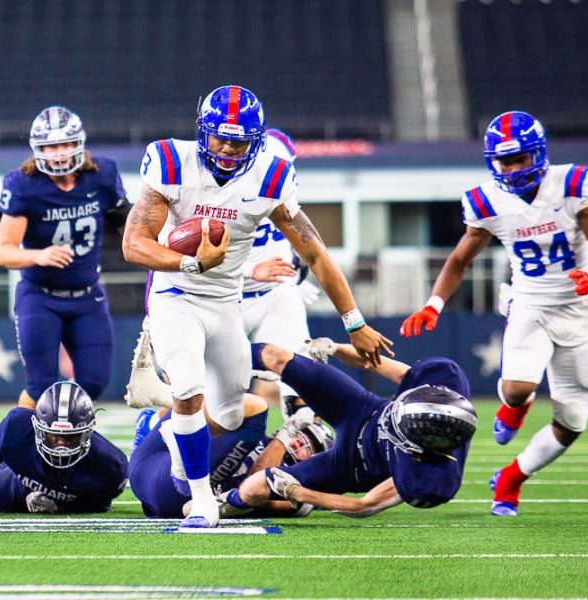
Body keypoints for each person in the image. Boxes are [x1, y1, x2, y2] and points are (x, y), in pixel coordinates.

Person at [122, 84, 392, 528]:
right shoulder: (171, 161)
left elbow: (315, 253)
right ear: (201, 132)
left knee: (230, 412)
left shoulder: (271, 175)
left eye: (239, 141)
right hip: (176, 294)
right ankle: (202, 499)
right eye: (219, 137)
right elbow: (134, 244)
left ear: (258, 140)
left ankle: (163, 419)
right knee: (190, 389)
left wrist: (354, 321)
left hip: (226, 300)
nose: (228, 148)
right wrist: (191, 262)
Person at [399, 110, 588, 517]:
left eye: (521, 158)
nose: (514, 168)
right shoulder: (486, 201)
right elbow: (460, 260)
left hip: (578, 307)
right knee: (518, 387)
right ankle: (514, 407)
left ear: (539, 154)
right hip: (530, 301)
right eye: (506, 160)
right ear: (492, 161)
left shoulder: (572, 185)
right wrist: (434, 303)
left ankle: (511, 479)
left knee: (572, 422)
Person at [225, 341, 477, 517]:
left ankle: (224, 503)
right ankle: (208, 359)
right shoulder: (447, 380)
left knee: (255, 487)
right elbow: (376, 363)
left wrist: (298, 492)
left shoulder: (429, 479)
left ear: (418, 449)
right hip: (361, 409)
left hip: (350, 466)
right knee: (276, 356)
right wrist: (334, 348)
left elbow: (363, 505)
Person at [0, 105, 132, 408]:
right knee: (40, 384)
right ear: (37, 149)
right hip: (40, 295)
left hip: (86, 296)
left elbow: (129, 227)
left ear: (78, 144)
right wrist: (39, 255)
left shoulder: (102, 175)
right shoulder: (24, 185)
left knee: (93, 382)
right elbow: (2, 252)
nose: (58, 153)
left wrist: (157, 250)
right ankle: (16, 445)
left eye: (65, 144)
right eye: (51, 146)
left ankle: (64, 435)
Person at [0, 381, 127, 518]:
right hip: (17, 483)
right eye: (55, 436)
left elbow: (99, 504)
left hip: (18, 482)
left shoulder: (110, 466)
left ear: (87, 432)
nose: (61, 446)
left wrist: (58, 508)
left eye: (70, 437)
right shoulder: (17, 431)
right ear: (37, 428)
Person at [128, 395, 333, 520]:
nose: (300, 442)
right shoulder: (262, 440)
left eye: (311, 446)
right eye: (302, 434)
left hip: (175, 494)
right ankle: (152, 421)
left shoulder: (297, 489)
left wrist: (286, 432)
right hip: (147, 466)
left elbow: (259, 482)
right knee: (205, 397)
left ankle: (154, 424)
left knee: (255, 409)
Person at [242, 128, 320, 419]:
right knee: (202, 396)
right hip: (221, 297)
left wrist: (295, 269)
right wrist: (251, 269)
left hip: (275, 293)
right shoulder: (213, 193)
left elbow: (309, 248)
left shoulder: (284, 191)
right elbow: (194, 258)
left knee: (302, 388)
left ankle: (301, 458)